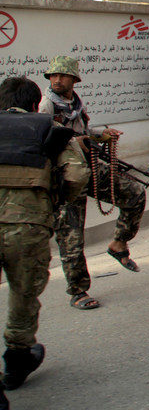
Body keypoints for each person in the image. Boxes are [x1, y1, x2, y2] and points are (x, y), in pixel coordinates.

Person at [0, 76, 89, 403]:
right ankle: (17, 358)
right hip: (29, 225)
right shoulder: (49, 129)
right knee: (23, 292)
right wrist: (56, 201)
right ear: (35, 102)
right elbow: (78, 174)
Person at [38, 56, 147, 310]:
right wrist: (80, 142)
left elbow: (81, 131)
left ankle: (119, 243)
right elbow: (47, 143)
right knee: (71, 236)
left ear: (74, 79)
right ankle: (78, 291)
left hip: (89, 166)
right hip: (65, 175)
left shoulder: (74, 104)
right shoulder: (46, 107)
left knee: (135, 193)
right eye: (53, 75)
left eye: (62, 75)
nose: (56, 79)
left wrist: (100, 135)